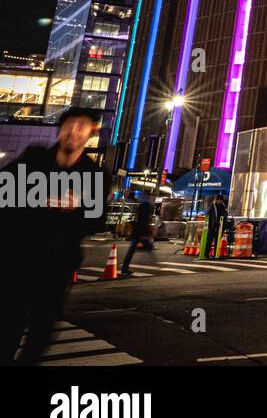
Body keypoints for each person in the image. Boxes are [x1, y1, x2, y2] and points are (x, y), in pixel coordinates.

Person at [0, 108, 107, 365]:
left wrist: (76, 208)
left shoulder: (94, 175)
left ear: (90, 133)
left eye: (82, 126)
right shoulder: (33, 160)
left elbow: (96, 221)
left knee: (40, 332)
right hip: (16, 261)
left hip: (56, 267)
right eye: (70, 124)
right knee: (7, 330)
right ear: (60, 129)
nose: (74, 131)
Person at [120, 189, 155, 276]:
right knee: (146, 247)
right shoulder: (146, 206)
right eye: (153, 198)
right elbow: (143, 220)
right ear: (149, 198)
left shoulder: (144, 205)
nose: (153, 200)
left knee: (140, 248)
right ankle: (125, 268)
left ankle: (125, 268)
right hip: (140, 231)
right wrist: (145, 234)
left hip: (138, 231)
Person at [204, 193, 228, 258]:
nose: (220, 201)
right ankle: (206, 254)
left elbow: (225, 215)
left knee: (217, 242)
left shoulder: (223, 206)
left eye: (221, 200)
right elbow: (208, 215)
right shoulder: (212, 206)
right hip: (212, 226)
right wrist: (209, 225)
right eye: (220, 200)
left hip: (220, 227)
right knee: (209, 241)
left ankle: (215, 254)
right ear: (217, 200)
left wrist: (224, 225)